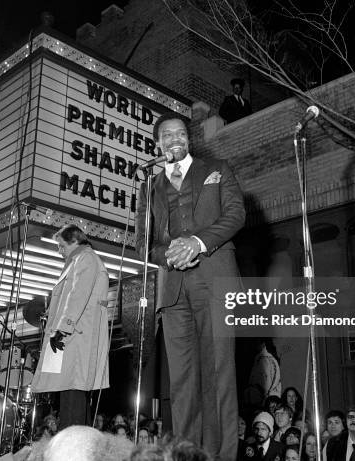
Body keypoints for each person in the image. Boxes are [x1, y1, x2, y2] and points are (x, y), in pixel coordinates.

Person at [136, 111, 245, 460]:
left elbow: (235, 215)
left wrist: (196, 243)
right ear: (158, 144)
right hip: (173, 290)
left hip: (215, 280)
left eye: (180, 133)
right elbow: (143, 242)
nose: (174, 139)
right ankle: (186, 455)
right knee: (181, 384)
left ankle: (221, 456)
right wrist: (169, 255)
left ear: (189, 138)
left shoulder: (218, 168)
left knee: (218, 376)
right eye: (166, 135)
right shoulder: (148, 185)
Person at [31, 224, 110, 428]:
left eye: (61, 245)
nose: (59, 250)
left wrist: (62, 327)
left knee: (73, 393)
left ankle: (72, 448)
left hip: (76, 337)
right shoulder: (79, 260)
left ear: (74, 241)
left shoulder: (86, 259)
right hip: (74, 336)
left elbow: (78, 295)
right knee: (71, 392)